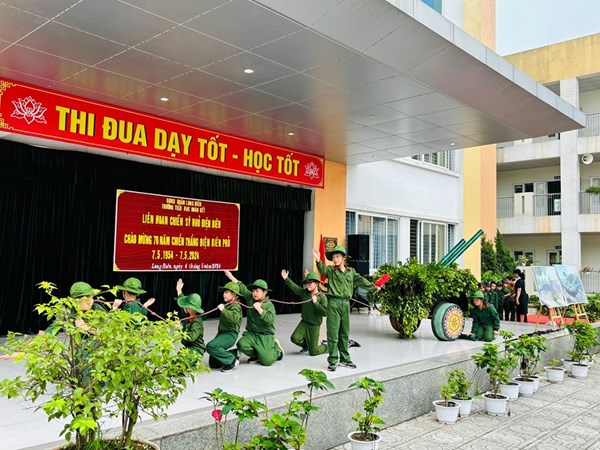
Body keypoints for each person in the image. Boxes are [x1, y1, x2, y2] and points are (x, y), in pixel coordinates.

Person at [313, 245, 380, 372]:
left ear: (344, 258)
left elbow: (361, 281)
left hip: (345, 304)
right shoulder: (331, 271)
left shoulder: (351, 272)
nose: (335, 259)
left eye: (337, 256)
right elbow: (322, 270)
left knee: (344, 333)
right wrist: (318, 260)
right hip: (333, 303)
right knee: (333, 333)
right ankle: (333, 360)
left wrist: (373, 287)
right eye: (333, 257)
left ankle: (345, 359)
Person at [224, 270, 284, 366]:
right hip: (252, 334)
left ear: (265, 292)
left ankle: (276, 349)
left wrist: (260, 309)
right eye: (253, 291)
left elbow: (269, 320)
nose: (254, 293)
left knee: (267, 362)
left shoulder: (269, 305)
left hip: (265, 336)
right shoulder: (250, 298)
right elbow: (241, 286)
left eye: (257, 291)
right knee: (241, 344)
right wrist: (230, 276)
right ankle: (257, 355)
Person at [281, 269, 328, 356]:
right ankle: (307, 346)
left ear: (317, 284)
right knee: (294, 338)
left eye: (310, 283)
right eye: (307, 283)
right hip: (304, 322)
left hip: (314, 325)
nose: (308, 285)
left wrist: (316, 303)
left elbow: (325, 312)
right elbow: (295, 287)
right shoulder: (304, 293)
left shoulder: (322, 297)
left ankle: (328, 347)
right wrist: (286, 279)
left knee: (313, 352)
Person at [206, 281, 243, 373]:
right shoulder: (228, 305)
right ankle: (235, 353)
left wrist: (223, 310)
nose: (224, 294)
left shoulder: (236, 306)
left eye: (226, 292)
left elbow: (234, 319)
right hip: (221, 334)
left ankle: (232, 360)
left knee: (211, 346)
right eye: (224, 292)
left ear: (234, 294)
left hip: (230, 334)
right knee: (214, 363)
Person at [176, 278, 206, 357]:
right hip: (189, 348)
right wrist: (179, 290)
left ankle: (196, 362)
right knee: (175, 361)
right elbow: (181, 303)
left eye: (187, 306)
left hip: (197, 349)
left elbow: (191, 338)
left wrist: (179, 329)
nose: (184, 307)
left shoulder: (196, 322)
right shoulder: (188, 315)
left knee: (181, 361)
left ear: (192, 308)